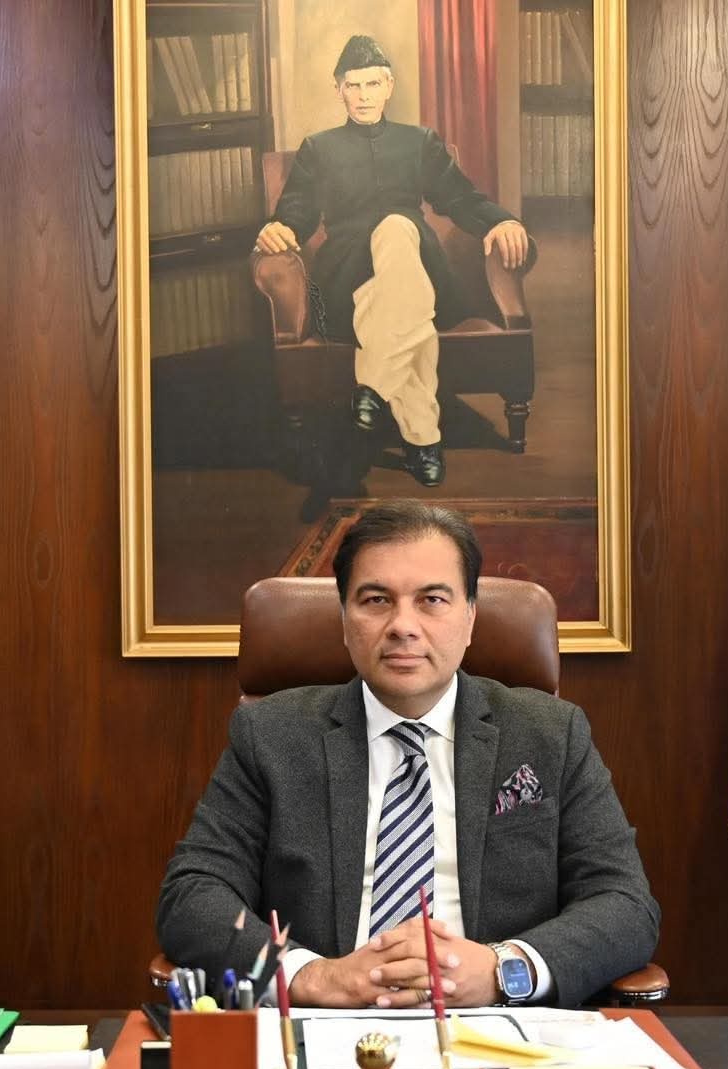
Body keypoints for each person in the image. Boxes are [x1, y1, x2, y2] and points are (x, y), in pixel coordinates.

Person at [156, 501, 658, 1008]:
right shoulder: (271, 735)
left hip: (499, 1023)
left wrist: (505, 969)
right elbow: (193, 896)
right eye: (376, 600)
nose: (403, 625)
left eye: (432, 599)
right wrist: (313, 976)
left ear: (470, 617)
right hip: (324, 1022)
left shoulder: (550, 733)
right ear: (344, 619)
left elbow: (624, 903)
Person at [255, 36, 531, 488]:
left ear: (389, 87)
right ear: (338, 90)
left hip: (415, 259)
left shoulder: (419, 142)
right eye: (353, 85)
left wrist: (501, 220)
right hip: (348, 273)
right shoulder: (318, 148)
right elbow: (295, 215)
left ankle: (374, 387)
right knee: (407, 308)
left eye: (372, 84)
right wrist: (275, 228)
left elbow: (460, 198)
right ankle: (424, 441)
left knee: (399, 229)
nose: (363, 95)